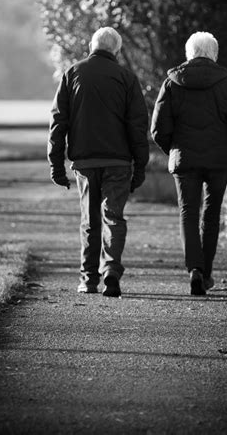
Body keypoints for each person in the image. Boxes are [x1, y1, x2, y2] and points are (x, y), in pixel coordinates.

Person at [150, 31, 227, 296]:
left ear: (189, 53)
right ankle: (205, 273)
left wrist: (173, 149)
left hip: (184, 158)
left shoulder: (172, 82)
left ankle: (194, 269)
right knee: (211, 213)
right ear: (214, 53)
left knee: (188, 212)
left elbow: (158, 128)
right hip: (219, 160)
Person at [48, 27, 149, 297]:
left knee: (89, 220)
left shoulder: (73, 73)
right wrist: (140, 166)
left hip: (85, 160)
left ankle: (89, 279)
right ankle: (111, 271)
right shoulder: (127, 78)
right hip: (118, 161)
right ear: (116, 50)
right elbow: (138, 126)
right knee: (113, 217)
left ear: (91, 46)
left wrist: (56, 164)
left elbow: (58, 122)